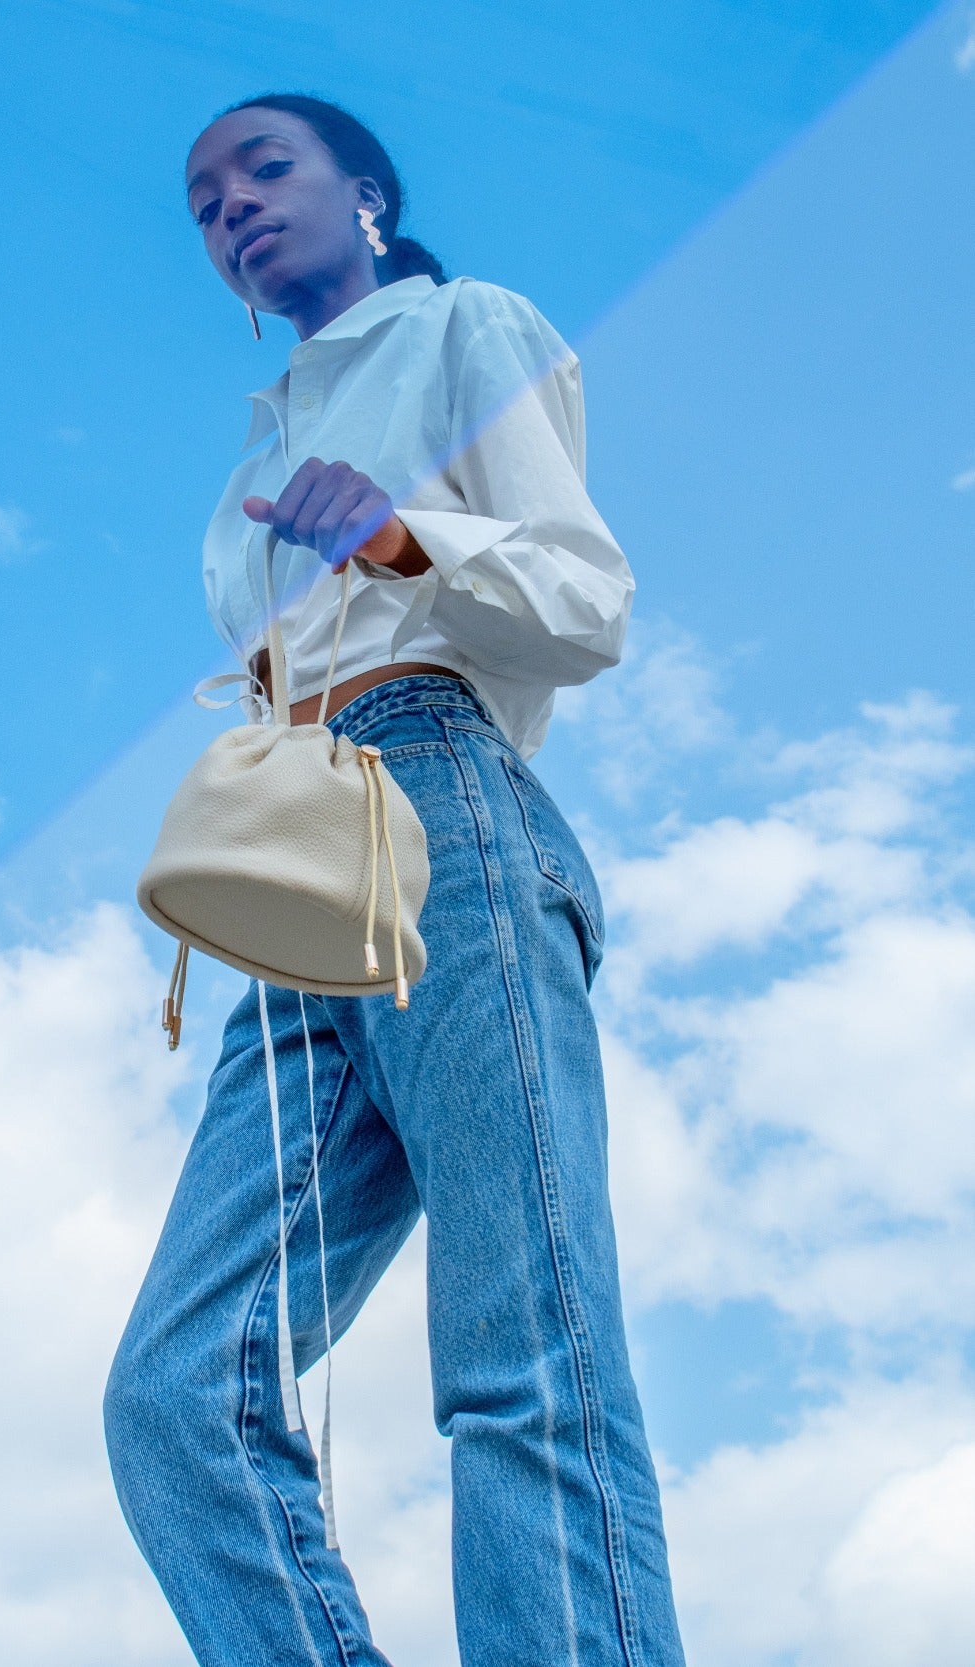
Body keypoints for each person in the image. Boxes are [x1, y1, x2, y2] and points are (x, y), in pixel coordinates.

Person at [102, 94, 684, 1666]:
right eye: (203, 199)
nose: (230, 206)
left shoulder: (462, 329)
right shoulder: (256, 457)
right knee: (176, 1397)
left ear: (367, 191)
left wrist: (405, 536)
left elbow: (585, 602)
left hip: (449, 821)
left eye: (263, 169)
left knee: (523, 1354)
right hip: (301, 874)